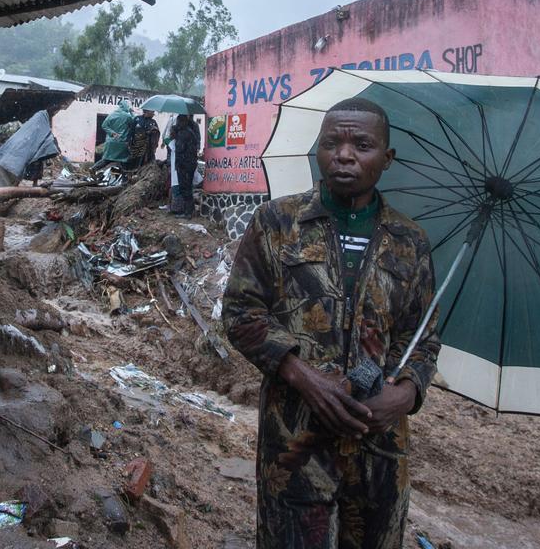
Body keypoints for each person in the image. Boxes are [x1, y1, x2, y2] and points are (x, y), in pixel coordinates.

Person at [221, 98, 440, 549]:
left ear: (386, 158)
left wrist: (403, 395)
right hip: (295, 440)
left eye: (361, 144)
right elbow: (241, 313)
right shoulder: (277, 223)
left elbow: (423, 338)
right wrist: (304, 377)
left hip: (379, 446)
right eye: (332, 143)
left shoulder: (410, 242)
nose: (344, 154)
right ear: (317, 151)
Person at [171, 114, 201, 217]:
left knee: (185, 188)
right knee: (188, 188)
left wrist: (175, 135)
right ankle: (190, 211)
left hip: (184, 165)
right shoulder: (190, 131)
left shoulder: (183, 133)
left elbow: (179, 149)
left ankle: (188, 212)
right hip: (190, 164)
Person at [96, 100, 134, 171]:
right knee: (124, 160)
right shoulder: (127, 116)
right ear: (126, 106)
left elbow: (104, 125)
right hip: (122, 142)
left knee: (106, 160)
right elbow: (135, 123)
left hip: (110, 142)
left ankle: (93, 168)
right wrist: (131, 112)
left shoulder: (112, 114)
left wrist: (112, 133)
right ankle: (124, 176)